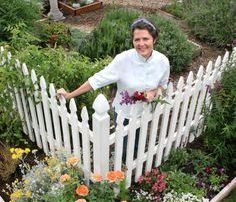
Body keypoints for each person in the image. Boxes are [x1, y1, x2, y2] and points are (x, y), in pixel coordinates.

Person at [57, 18, 170, 158]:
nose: (141, 44)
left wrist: (153, 92)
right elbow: (97, 80)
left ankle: (136, 165)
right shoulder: (123, 60)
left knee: (139, 143)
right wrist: (69, 95)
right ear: (132, 41)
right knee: (124, 147)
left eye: (145, 39)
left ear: (154, 39)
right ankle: (124, 170)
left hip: (147, 112)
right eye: (137, 40)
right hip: (125, 114)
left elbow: (163, 85)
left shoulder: (163, 61)